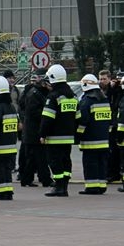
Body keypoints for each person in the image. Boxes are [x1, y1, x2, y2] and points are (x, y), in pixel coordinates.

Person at [38, 64, 77, 197]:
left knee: (55, 162)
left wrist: (42, 134)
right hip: (68, 137)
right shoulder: (73, 96)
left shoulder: (53, 97)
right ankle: (64, 186)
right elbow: (78, 117)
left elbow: (47, 118)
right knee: (66, 160)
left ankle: (59, 187)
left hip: (54, 137)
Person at [75, 74, 111, 195]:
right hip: (104, 139)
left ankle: (92, 187)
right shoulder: (104, 99)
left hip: (90, 140)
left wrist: (78, 136)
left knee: (90, 164)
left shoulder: (86, 101)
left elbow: (82, 122)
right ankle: (101, 185)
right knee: (101, 163)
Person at [18, 69, 52, 187]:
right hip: (33, 130)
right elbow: (33, 112)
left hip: (34, 130)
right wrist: (47, 113)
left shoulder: (39, 93)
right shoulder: (35, 93)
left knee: (33, 157)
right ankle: (45, 179)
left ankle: (26, 179)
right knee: (40, 156)